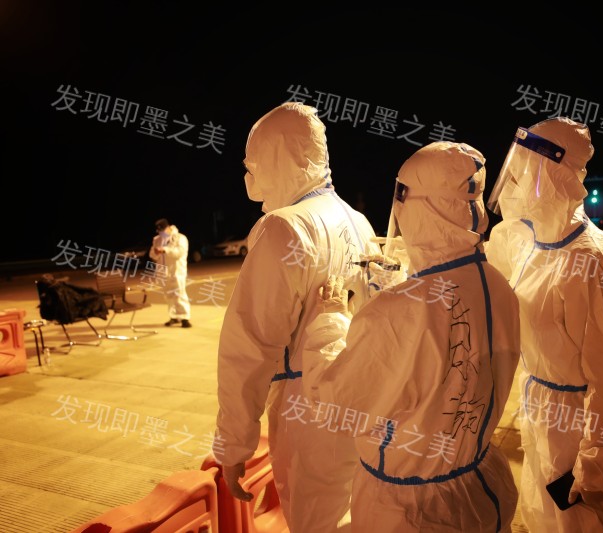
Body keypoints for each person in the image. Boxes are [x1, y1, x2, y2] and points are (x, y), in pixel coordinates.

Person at [302, 141, 521, 532]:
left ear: (420, 208)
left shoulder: (399, 311)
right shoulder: (496, 283)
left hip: (409, 511)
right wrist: (400, 290)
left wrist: (330, 319)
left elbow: (334, 400)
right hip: (482, 487)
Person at [214, 102, 380, 532]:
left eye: (254, 162)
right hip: (360, 403)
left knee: (316, 521)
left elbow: (250, 345)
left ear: (278, 156)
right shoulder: (359, 222)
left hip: (308, 412)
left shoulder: (285, 227)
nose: (250, 176)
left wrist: (233, 444)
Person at [484, 117, 603, 532]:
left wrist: (596, 468)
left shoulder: (598, 263)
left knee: (584, 523)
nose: (515, 180)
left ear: (553, 171)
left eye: (524, 169)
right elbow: (488, 268)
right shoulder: (532, 245)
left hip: (578, 428)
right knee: (545, 519)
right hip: (543, 412)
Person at [150, 218, 191, 328]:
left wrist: (165, 250)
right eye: (158, 231)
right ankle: (173, 316)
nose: (160, 233)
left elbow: (179, 253)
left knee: (179, 293)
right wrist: (156, 253)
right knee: (168, 295)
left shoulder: (180, 238)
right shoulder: (157, 239)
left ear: (167, 228)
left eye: (162, 230)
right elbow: (152, 255)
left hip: (176, 271)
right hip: (163, 271)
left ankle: (185, 317)